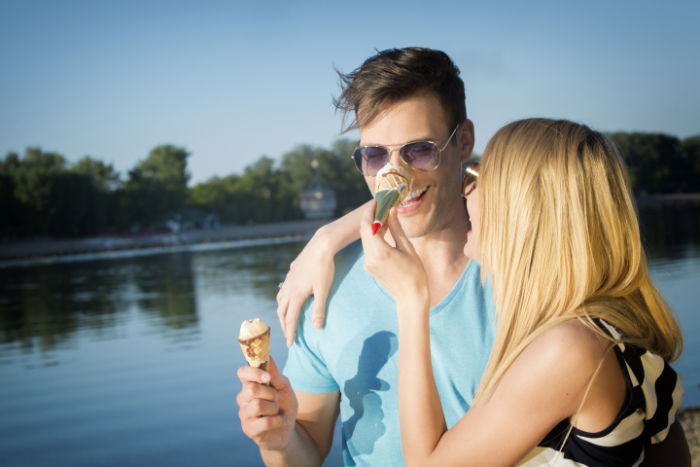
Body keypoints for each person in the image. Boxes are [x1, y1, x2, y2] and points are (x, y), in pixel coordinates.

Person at [296, 119, 691, 465]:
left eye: (481, 178)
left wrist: (411, 302)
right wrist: (329, 235)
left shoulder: (568, 349)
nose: (466, 192)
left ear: (523, 210)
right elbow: (668, 448)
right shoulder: (606, 326)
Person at [236, 47, 496, 465]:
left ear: (463, 141)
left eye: (420, 150)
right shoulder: (327, 284)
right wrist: (278, 440)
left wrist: (327, 234)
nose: (394, 174)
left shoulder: (520, 267)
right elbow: (307, 451)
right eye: (374, 155)